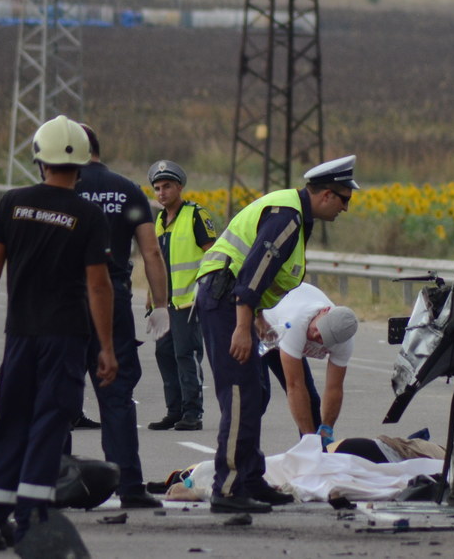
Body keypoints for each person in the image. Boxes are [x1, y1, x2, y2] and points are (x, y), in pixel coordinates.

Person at [0, 115, 117, 550]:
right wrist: (106, 347)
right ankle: (31, 521)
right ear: (83, 165)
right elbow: (98, 284)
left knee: (9, 423)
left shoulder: (13, 203)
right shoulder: (87, 215)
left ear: (39, 160)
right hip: (66, 338)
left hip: (21, 336)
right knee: (49, 425)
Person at [194, 154, 358, 514]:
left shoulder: (296, 217)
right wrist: (242, 324)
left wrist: (254, 320)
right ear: (327, 195)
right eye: (345, 199)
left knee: (253, 390)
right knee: (239, 393)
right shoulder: (288, 217)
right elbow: (254, 272)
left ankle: (250, 479)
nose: (346, 208)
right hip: (225, 298)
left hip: (234, 302)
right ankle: (230, 486)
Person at [74, 124, 170, 509]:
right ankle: (129, 485)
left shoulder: (63, 189)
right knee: (116, 397)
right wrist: (161, 304)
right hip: (112, 299)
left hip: (65, 302)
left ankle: (55, 484)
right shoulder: (127, 189)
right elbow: (151, 253)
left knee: (60, 398)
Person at [146, 160, 217, 432]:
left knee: (186, 356)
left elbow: (213, 253)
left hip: (190, 301)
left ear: (179, 187)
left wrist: (206, 292)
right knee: (165, 354)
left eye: (167, 187)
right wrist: (152, 298)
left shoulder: (196, 215)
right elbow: (159, 262)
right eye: (157, 188)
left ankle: (192, 413)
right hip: (166, 303)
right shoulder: (161, 220)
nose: (162, 193)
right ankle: (173, 411)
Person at [258, 283, 357, 447]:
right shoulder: (297, 320)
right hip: (260, 327)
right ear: (324, 311)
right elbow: (295, 386)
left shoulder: (344, 343)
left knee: (311, 401)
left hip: (281, 339)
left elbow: (334, 388)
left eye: (321, 339)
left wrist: (327, 428)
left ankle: (318, 454)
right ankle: (241, 457)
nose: (315, 335)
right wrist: (309, 438)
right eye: (318, 328)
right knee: (257, 396)